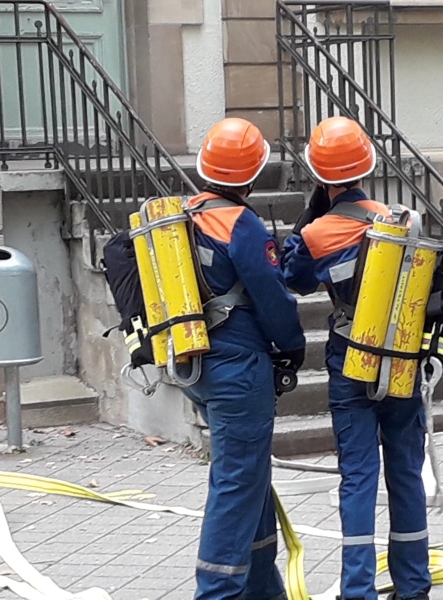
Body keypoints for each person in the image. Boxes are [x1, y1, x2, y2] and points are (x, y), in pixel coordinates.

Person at [281, 116, 431, 600]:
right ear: (366, 167)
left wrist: (308, 224)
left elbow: (295, 279)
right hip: (402, 358)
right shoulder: (399, 218)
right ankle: (414, 586)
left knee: (359, 477)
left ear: (318, 176)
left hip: (351, 358)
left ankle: (358, 590)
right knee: (406, 471)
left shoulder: (318, 233)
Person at [182, 117, 306, 600]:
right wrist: (292, 345)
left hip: (198, 363)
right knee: (236, 483)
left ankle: (262, 589)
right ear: (253, 175)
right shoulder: (242, 224)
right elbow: (272, 295)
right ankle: (216, 592)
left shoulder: (186, 214)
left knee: (249, 474)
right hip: (238, 368)